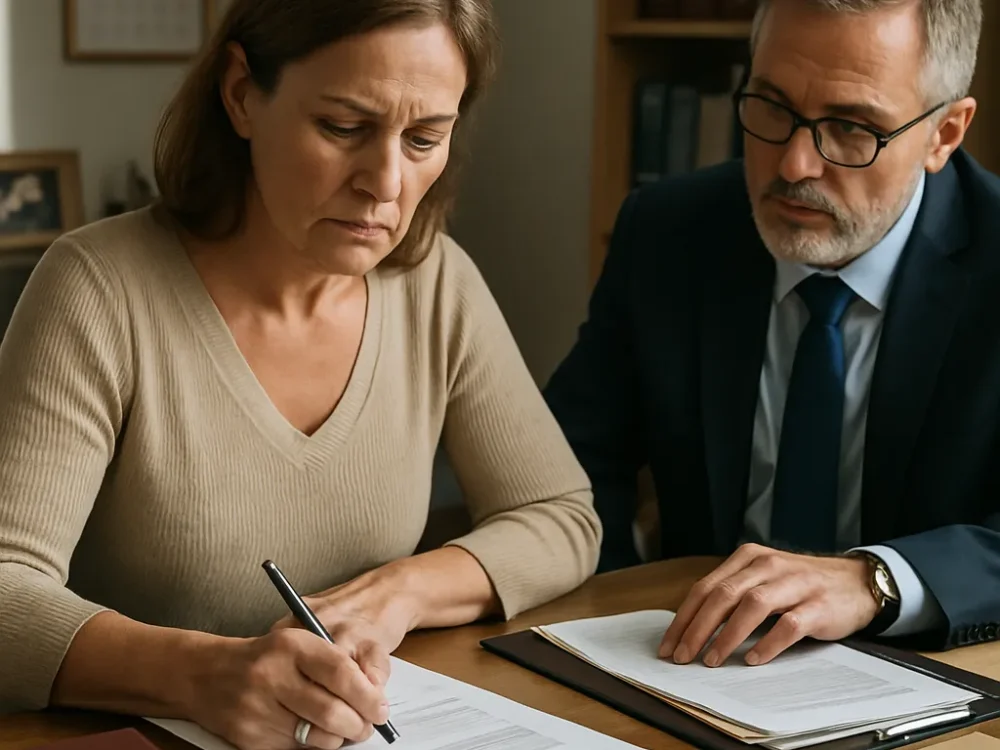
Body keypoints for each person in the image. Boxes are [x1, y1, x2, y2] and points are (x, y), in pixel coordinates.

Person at [0, 0, 601, 747]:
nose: (384, 183)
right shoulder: (98, 289)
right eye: (344, 128)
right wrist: (204, 675)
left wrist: (398, 593)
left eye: (424, 138)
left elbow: (561, 516)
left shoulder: (435, 280)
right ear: (241, 93)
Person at [544, 0, 1000, 671]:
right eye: (771, 107)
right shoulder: (671, 232)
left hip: (936, 675)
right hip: (698, 665)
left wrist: (874, 580)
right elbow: (566, 465)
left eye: (850, 128)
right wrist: (616, 621)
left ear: (944, 134)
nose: (792, 166)